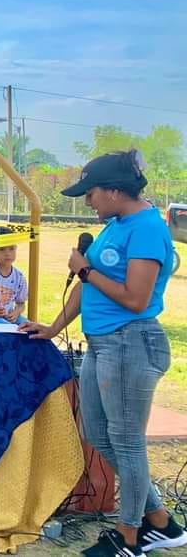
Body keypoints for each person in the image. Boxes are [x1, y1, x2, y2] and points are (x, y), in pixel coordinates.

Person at [22, 151, 185, 557]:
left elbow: (135, 298)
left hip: (131, 344)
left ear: (114, 191)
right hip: (103, 344)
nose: (87, 201)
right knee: (98, 435)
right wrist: (53, 327)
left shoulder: (147, 228)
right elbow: (87, 286)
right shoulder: (116, 224)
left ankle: (129, 538)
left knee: (126, 443)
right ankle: (160, 522)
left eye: (91, 193)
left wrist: (85, 270)